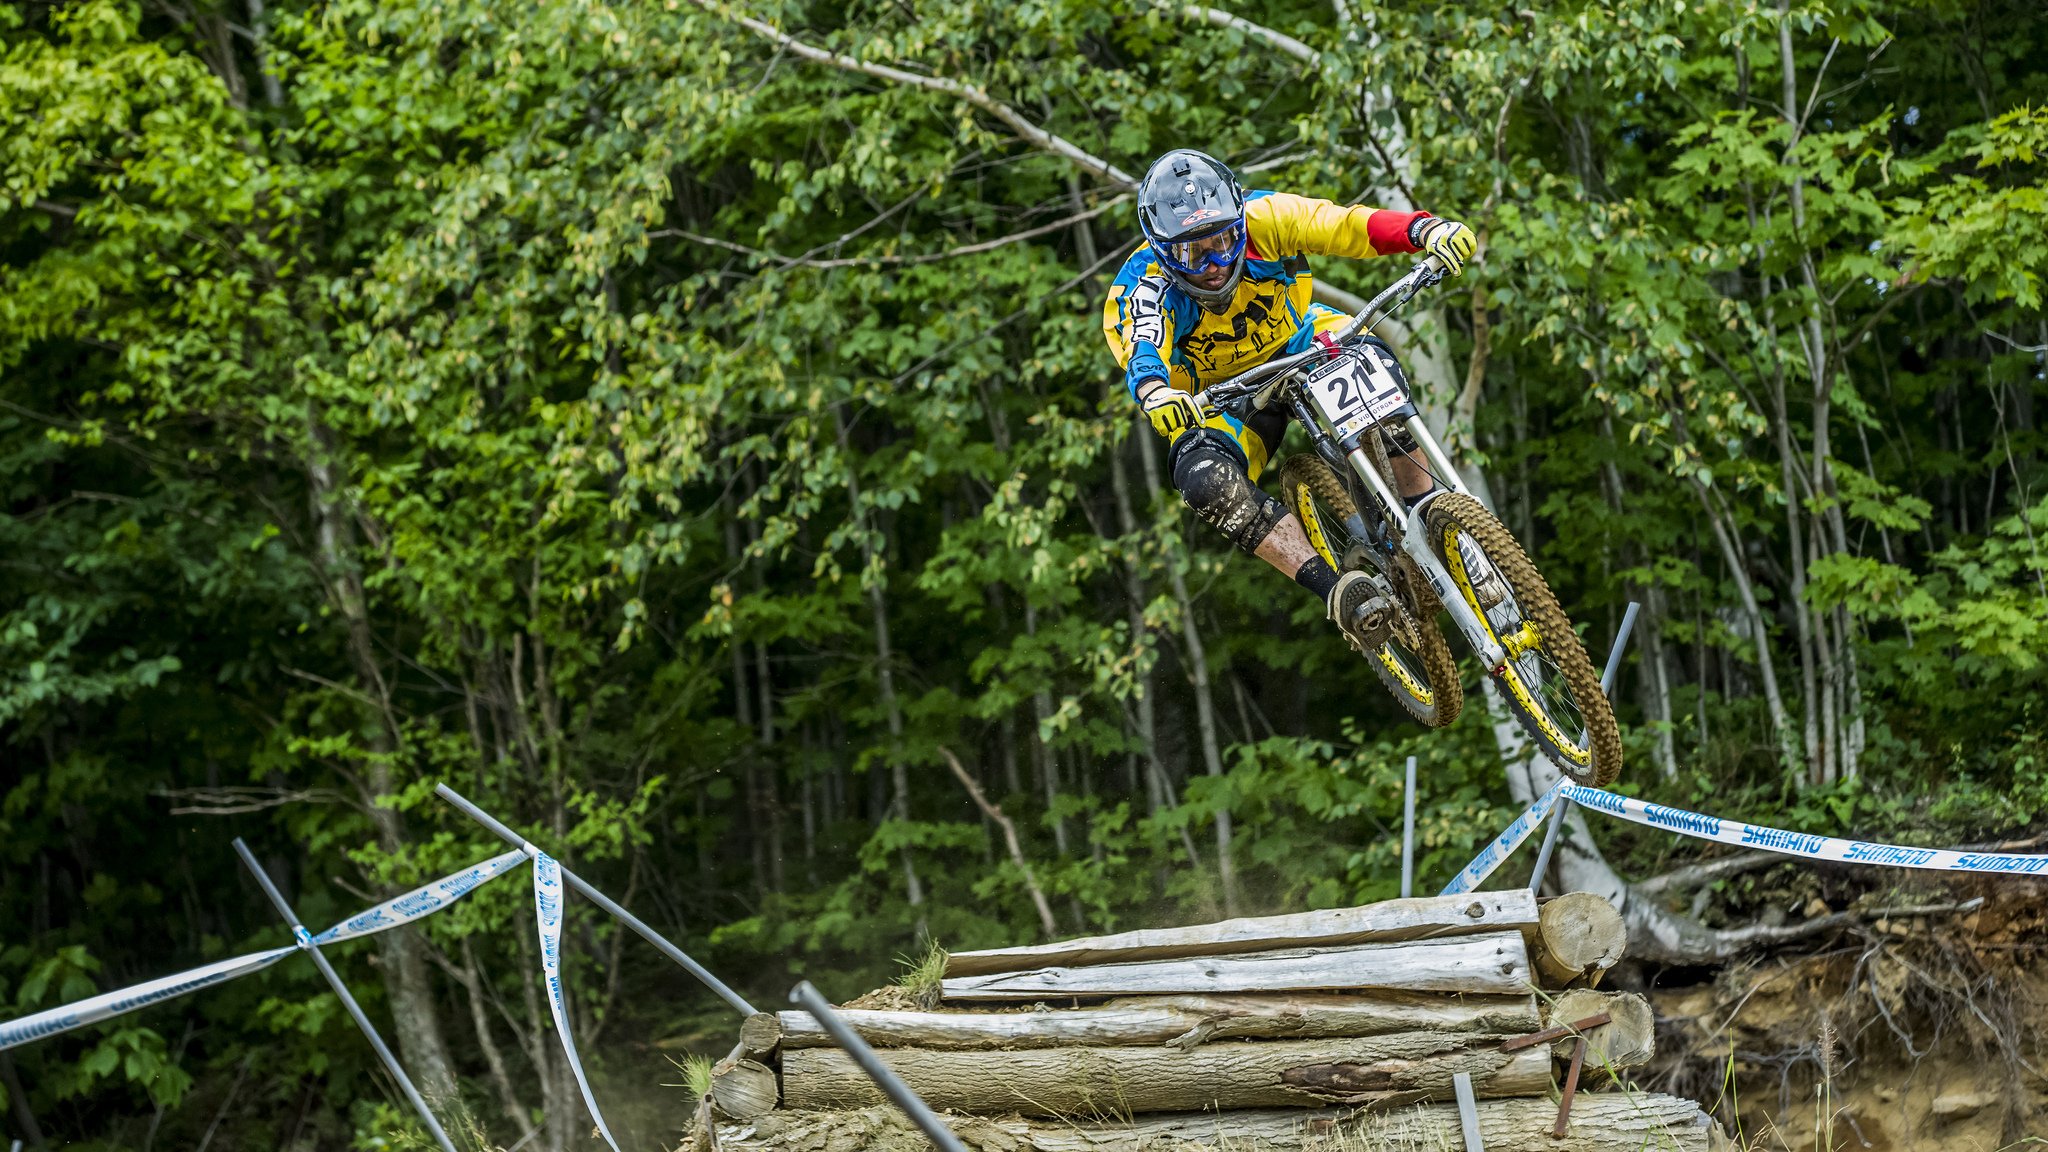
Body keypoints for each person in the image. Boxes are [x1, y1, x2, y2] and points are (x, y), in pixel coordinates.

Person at [1102, 149, 1478, 653]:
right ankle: (1341, 592)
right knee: (1202, 480)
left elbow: (1345, 226)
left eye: (1223, 242)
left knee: (1375, 372)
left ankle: (1437, 516)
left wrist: (1423, 231)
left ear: (1239, 221)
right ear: (1164, 252)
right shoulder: (1143, 287)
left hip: (1301, 341)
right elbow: (1142, 349)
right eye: (1194, 254)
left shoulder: (1268, 218)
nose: (1214, 265)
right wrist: (1157, 395)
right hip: (1225, 399)